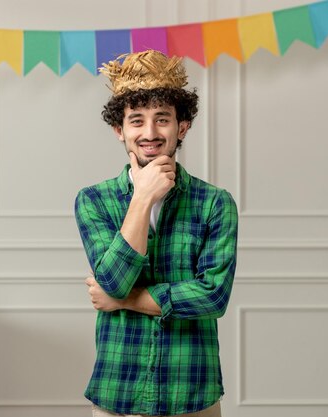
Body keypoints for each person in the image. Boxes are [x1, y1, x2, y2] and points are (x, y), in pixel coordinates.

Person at [74, 50, 238, 417]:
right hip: (118, 391)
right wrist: (143, 197)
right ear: (120, 131)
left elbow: (213, 297)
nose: (149, 133)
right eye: (137, 121)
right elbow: (114, 281)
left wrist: (124, 301)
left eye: (162, 119)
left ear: (182, 127)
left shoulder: (216, 203)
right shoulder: (93, 201)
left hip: (192, 395)